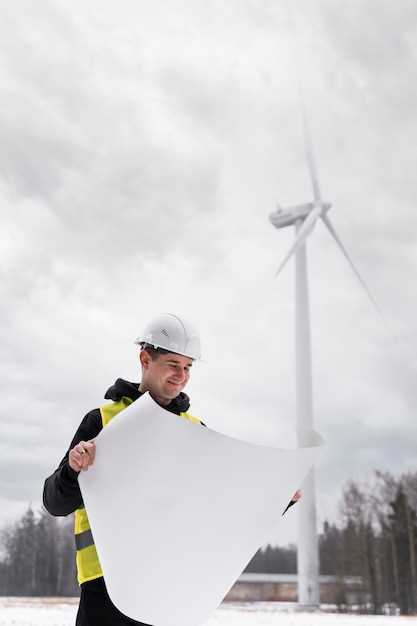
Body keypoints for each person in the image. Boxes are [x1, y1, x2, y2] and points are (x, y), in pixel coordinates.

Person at [43, 313, 300, 626]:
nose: (182, 375)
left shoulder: (196, 432)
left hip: (172, 590)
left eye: (188, 366)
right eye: (173, 364)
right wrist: (72, 470)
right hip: (107, 590)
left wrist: (279, 499)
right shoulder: (102, 422)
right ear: (145, 359)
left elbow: (223, 511)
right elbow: (56, 504)